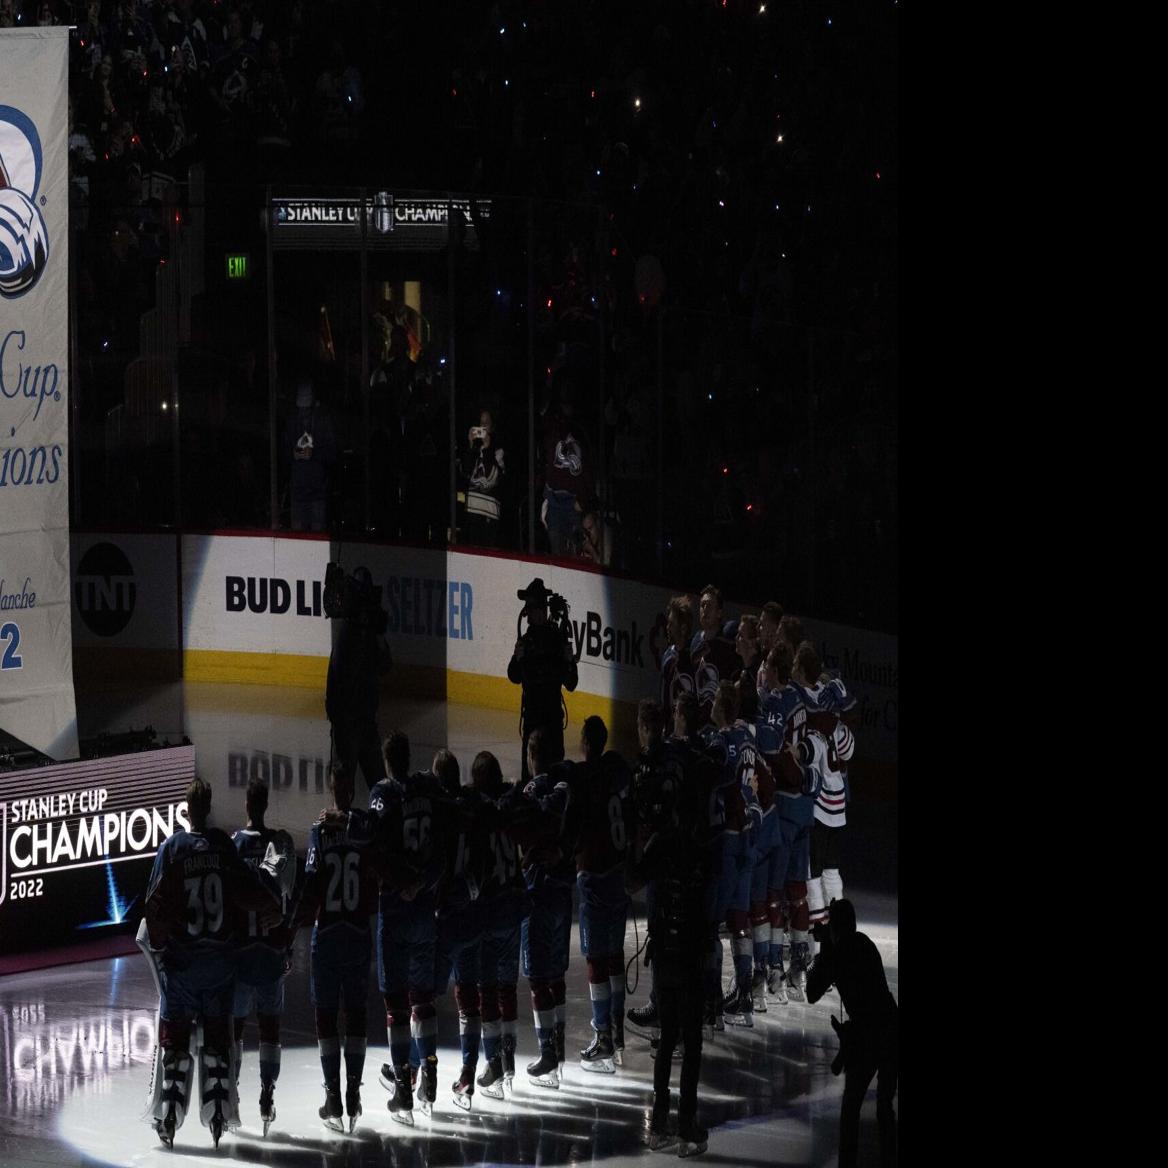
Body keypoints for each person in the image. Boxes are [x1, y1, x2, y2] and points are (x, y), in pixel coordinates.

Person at [142, 778, 282, 1149]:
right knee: (218, 1042)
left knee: (175, 1042)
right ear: (210, 807)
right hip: (220, 965)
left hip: (185, 967)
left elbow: (153, 906)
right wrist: (271, 909)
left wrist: (160, 944)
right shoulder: (222, 846)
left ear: (187, 812)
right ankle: (219, 1110)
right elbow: (249, 886)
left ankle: (170, 1112)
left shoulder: (172, 849)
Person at [370, 731, 451, 1123]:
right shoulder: (429, 790)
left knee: (397, 1006)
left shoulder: (383, 794)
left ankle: (403, 1087)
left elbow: (376, 850)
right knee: (423, 999)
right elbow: (444, 844)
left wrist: (403, 882)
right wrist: (425, 881)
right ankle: (430, 1071)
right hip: (424, 909)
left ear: (388, 763)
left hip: (396, 910)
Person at [295, 762, 380, 1134]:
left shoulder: (320, 831)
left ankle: (333, 1096)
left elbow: (313, 883)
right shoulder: (365, 828)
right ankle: (353, 1093)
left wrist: (292, 923)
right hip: (358, 932)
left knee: (327, 1016)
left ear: (333, 790)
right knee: (357, 1014)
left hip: (329, 933)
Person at [640, 771, 711, 1157]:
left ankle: (659, 1125)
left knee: (667, 1039)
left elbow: (636, 880)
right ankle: (686, 1126)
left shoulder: (659, 844)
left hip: (664, 956)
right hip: (689, 957)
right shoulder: (702, 849)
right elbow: (709, 907)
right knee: (692, 1043)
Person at [501, 728, 574, 1087]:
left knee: (537, 978)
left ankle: (547, 1053)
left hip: (537, 893)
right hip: (562, 893)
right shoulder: (565, 791)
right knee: (557, 975)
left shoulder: (527, 793)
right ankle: (557, 1052)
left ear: (530, 758)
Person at [562, 716, 633, 1073]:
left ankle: (604, 1035)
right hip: (619, 875)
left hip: (594, 876)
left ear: (585, 743)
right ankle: (616, 1033)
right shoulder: (617, 771)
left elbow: (570, 828)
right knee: (615, 955)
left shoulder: (583, 777)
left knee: (596, 959)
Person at [807, 899, 898, 1168]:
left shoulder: (837, 952)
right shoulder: (865, 943)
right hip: (892, 1028)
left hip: (868, 1036)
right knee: (884, 1108)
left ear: (834, 927)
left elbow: (812, 993)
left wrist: (825, 947)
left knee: (850, 1112)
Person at [230, 780, 297, 1137]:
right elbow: (290, 894)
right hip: (270, 952)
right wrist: (286, 932)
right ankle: (267, 1093)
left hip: (242, 953)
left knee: (236, 1030)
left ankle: (233, 1091)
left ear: (246, 804)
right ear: (266, 803)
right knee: (270, 1028)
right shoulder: (280, 844)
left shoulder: (234, 846)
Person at [431, 749, 489, 1111]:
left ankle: (420, 1070)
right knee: (468, 998)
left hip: (447, 919)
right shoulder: (476, 806)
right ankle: (468, 1071)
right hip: (473, 915)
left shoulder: (439, 811)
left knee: (423, 998)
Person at [470, 751, 526, 1099]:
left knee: (488, 989)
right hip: (513, 908)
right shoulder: (509, 807)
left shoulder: (481, 816)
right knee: (507, 987)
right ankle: (508, 1058)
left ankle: (493, 1060)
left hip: (492, 912)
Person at [325, 567, 390, 794]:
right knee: (352, 787)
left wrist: (379, 635)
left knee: (378, 785)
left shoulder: (364, 634)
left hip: (362, 723)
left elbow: (384, 666)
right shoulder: (348, 637)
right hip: (351, 726)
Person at [507, 578, 579, 783]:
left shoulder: (556, 639)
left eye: (531, 607)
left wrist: (568, 661)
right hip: (534, 720)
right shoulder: (527, 640)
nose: (528, 613)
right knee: (532, 779)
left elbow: (571, 682)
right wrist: (517, 657)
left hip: (549, 721)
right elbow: (513, 675)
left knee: (551, 779)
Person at [283, 377, 336, 532]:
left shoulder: (323, 423)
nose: (303, 413)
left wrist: (314, 453)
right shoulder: (292, 422)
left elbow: (332, 454)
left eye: (306, 410)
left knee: (317, 533)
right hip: (298, 490)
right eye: (301, 410)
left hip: (317, 490)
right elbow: (284, 451)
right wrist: (293, 454)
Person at [462, 408, 506, 547]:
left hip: (489, 511)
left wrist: (487, 448)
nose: (483, 426)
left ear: (492, 426)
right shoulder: (474, 447)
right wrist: (469, 444)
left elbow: (492, 478)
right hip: (472, 509)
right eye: (481, 423)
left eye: (486, 423)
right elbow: (466, 471)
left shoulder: (498, 448)